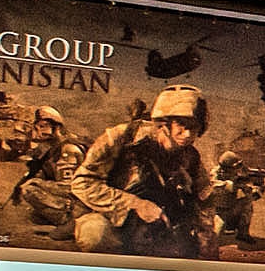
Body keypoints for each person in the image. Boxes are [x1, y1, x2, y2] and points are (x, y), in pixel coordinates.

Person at [68, 86, 214, 258]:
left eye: (195, 127)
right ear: (164, 122)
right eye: (182, 124)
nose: (188, 134)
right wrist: (135, 204)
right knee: (96, 235)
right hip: (107, 215)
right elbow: (82, 183)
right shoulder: (122, 137)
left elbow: (205, 205)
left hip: (155, 225)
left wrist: (208, 251)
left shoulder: (190, 157)